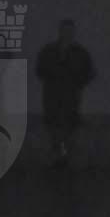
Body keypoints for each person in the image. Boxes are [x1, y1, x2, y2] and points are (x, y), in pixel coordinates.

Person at [34, 18, 94, 166]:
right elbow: (40, 70)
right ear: (60, 32)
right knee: (54, 128)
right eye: (65, 30)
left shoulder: (80, 53)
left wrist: (77, 83)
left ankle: (66, 158)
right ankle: (58, 158)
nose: (67, 34)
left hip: (71, 97)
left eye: (70, 31)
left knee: (69, 129)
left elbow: (89, 72)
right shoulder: (49, 51)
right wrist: (54, 79)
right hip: (52, 97)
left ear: (73, 33)